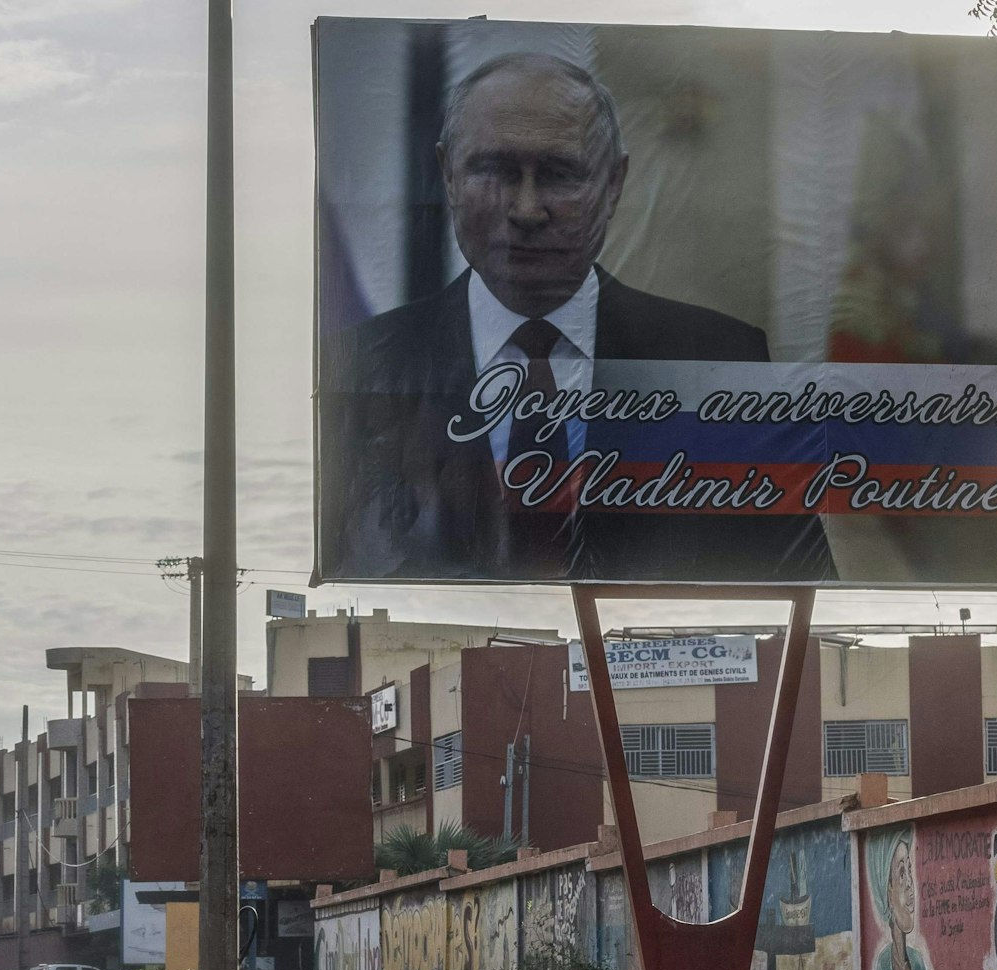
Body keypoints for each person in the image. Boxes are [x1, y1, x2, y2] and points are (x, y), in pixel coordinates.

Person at [318, 52, 835, 583]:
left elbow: (800, 588)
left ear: (614, 185)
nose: (525, 209)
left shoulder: (722, 362)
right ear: (448, 176)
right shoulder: (361, 363)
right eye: (493, 170)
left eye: (560, 174)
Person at [864, 829, 937, 970]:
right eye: (901, 874)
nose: (910, 886)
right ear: (886, 891)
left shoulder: (917, 963)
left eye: (910, 871)